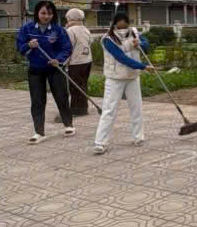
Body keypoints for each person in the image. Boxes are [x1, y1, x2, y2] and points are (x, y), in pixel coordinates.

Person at [92, 11, 150, 154]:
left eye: (125, 25)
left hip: (132, 77)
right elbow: (121, 57)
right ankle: (100, 142)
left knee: (136, 108)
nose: (123, 28)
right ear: (114, 24)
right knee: (109, 110)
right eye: (120, 25)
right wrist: (143, 66)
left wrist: (140, 43)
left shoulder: (134, 32)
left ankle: (139, 137)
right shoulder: (107, 39)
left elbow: (146, 45)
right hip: (115, 78)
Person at [16, 0, 73, 143]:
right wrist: (28, 45)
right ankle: (39, 132)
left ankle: (68, 124)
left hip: (55, 68)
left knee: (61, 96)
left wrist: (58, 59)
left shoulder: (58, 30)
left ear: (53, 14)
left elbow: (67, 48)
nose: (46, 16)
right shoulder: (27, 29)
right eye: (43, 13)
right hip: (36, 69)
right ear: (37, 13)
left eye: (49, 13)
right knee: (37, 101)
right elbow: (20, 47)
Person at [63, 8, 94, 117]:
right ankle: (83, 107)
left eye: (67, 18)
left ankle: (77, 110)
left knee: (75, 86)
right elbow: (90, 41)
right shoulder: (85, 29)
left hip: (76, 62)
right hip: (87, 61)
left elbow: (68, 48)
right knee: (82, 84)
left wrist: (63, 62)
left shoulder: (70, 31)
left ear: (70, 18)